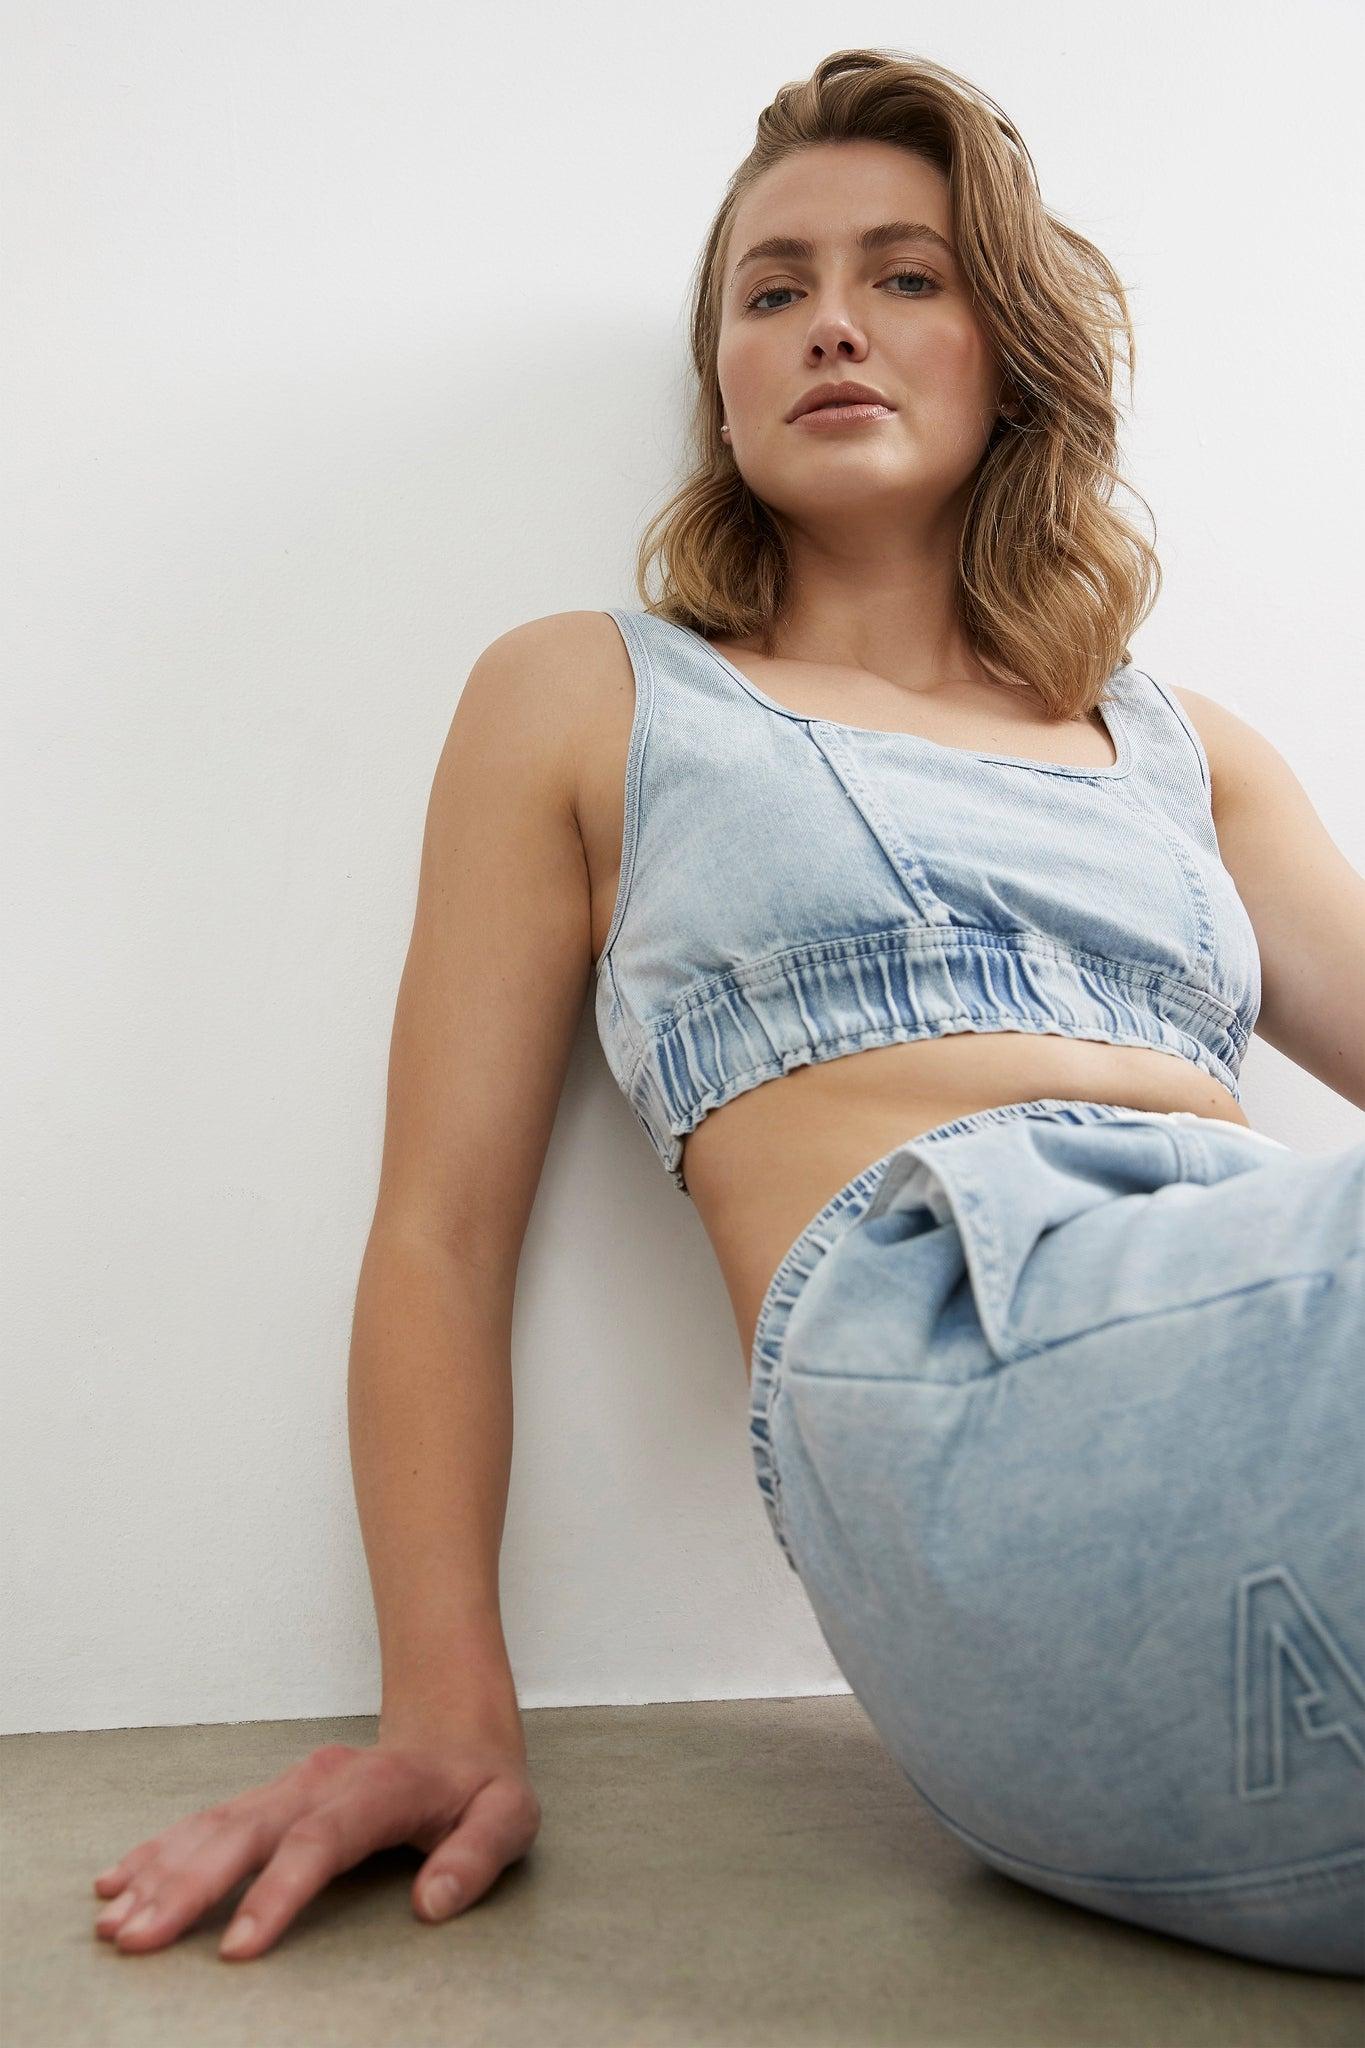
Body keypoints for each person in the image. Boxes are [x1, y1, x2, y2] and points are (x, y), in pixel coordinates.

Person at [93, 48, 1365, 1974]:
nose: (829, 322)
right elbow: (439, 1232)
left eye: (904, 275)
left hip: (1262, 1356)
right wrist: (446, 1719)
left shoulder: (1187, 753)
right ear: (724, 378)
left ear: (1010, 355)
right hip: (967, 1378)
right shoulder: (596, 694)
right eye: (772, 293)